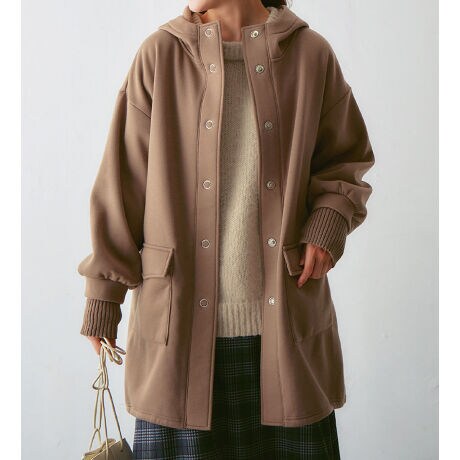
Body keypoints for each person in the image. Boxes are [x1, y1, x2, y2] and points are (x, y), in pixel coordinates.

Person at [77, 0, 375, 458]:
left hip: (286, 336)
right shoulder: (160, 56)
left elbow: (346, 160)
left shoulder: (311, 55)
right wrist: (103, 294)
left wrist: (327, 223)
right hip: (178, 339)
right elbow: (122, 185)